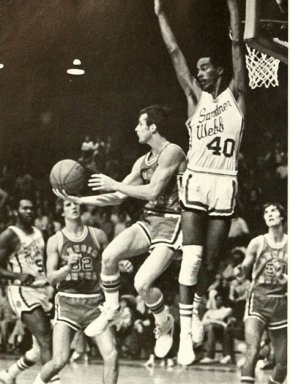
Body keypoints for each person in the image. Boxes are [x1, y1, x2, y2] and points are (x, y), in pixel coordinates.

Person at [55, 104, 187, 360]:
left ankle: (164, 321)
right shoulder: (142, 161)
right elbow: (116, 197)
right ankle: (112, 309)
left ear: (153, 127)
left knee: (142, 283)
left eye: (140, 124)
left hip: (173, 222)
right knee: (109, 256)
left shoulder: (173, 152)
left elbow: (152, 192)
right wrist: (78, 200)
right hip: (150, 220)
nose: (136, 128)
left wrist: (114, 183)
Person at [154, 0, 246, 365]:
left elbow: (238, 44)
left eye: (205, 67)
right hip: (195, 180)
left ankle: (193, 309)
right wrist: (161, 15)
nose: (200, 71)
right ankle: (187, 333)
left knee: (209, 261)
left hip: (225, 182)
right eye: (199, 69)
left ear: (219, 70)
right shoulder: (195, 98)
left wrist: (233, 8)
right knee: (190, 258)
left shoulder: (237, 96)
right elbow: (175, 51)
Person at [33, 198, 121, 384]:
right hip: (67, 303)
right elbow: (51, 278)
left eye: (75, 203)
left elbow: (110, 262)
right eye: (68, 204)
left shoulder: (98, 235)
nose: (73, 206)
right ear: (61, 211)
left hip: (95, 303)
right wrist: (67, 267)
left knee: (111, 355)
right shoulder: (55, 240)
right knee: (59, 361)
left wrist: (122, 264)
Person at [0, 197, 59, 384]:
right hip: (20, 290)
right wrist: (17, 276)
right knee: (45, 338)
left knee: (38, 347)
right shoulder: (9, 235)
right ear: (16, 211)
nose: (29, 211)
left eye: (31, 208)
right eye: (24, 208)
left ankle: (8, 375)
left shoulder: (39, 233)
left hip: (41, 289)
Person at [234, 203, 287, 384]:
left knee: (283, 363)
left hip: (282, 303)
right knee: (252, 350)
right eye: (266, 212)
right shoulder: (258, 242)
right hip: (258, 300)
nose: (269, 214)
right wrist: (240, 270)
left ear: (282, 217)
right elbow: (245, 266)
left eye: (273, 211)